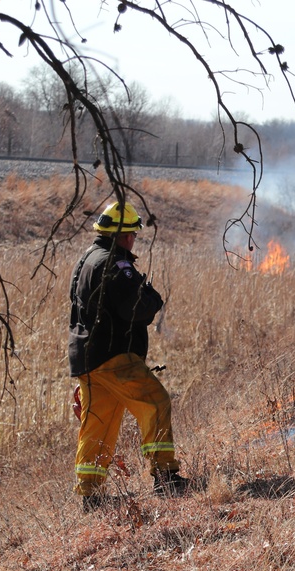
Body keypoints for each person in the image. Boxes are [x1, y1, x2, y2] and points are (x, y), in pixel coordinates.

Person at [69, 201, 188, 511]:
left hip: (87, 359)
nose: (134, 240)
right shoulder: (115, 264)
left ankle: (90, 496)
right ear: (122, 236)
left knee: (98, 425)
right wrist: (152, 298)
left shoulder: (86, 261)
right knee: (156, 401)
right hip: (114, 356)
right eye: (132, 234)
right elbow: (133, 308)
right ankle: (165, 477)